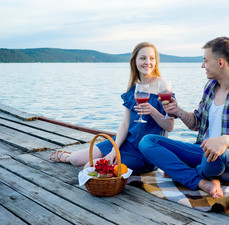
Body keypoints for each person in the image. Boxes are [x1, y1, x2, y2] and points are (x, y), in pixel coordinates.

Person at [139, 37, 229, 199]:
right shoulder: (210, 87)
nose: (202, 65)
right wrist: (178, 110)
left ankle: (185, 172)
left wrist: (225, 141)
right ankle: (202, 182)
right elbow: (197, 123)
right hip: (203, 152)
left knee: (217, 155)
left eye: (205, 61)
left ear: (220, 63)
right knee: (148, 142)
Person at [50, 42, 174, 174]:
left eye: (151, 58)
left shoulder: (163, 85)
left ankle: (103, 160)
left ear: (156, 61)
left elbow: (169, 126)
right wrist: (115, 149)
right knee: (75, 159)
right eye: (143, 58)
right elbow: (125, 124)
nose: (147, 62)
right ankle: (69, 156)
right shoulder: (134, 89)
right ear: (135, 61)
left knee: (89, 167)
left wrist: (153, 111)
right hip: (126, 141)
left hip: (145, 151)